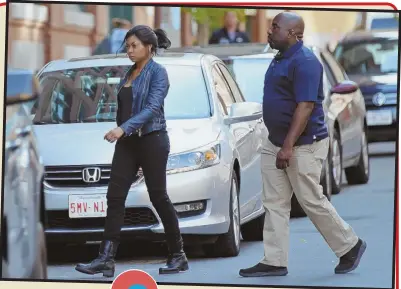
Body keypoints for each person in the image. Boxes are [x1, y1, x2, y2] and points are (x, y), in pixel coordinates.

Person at [239, 12, 366, 277]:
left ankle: (350, 246)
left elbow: (305, 106)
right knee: (274, 202)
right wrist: (278, 142)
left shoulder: (306, 62)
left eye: (276, 27)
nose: (270, 30)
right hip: (275, 141)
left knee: (311, 200)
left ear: (294, 34)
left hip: (303, 145)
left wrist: (287, 147)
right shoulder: (279, 58)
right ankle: (275, 260)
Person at [75, 25, 189, 277]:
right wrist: (123, 132)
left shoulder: (159, 73)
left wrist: (122, 129)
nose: (129, 50)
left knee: (159, 197)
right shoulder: (129, 73)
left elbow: (152, 108)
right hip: (128, 143)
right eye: (127, 46)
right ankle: (105, 258)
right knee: (114, 198)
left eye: (134, 45)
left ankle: (178, 255)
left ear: (149, 47)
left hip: (152, 140)